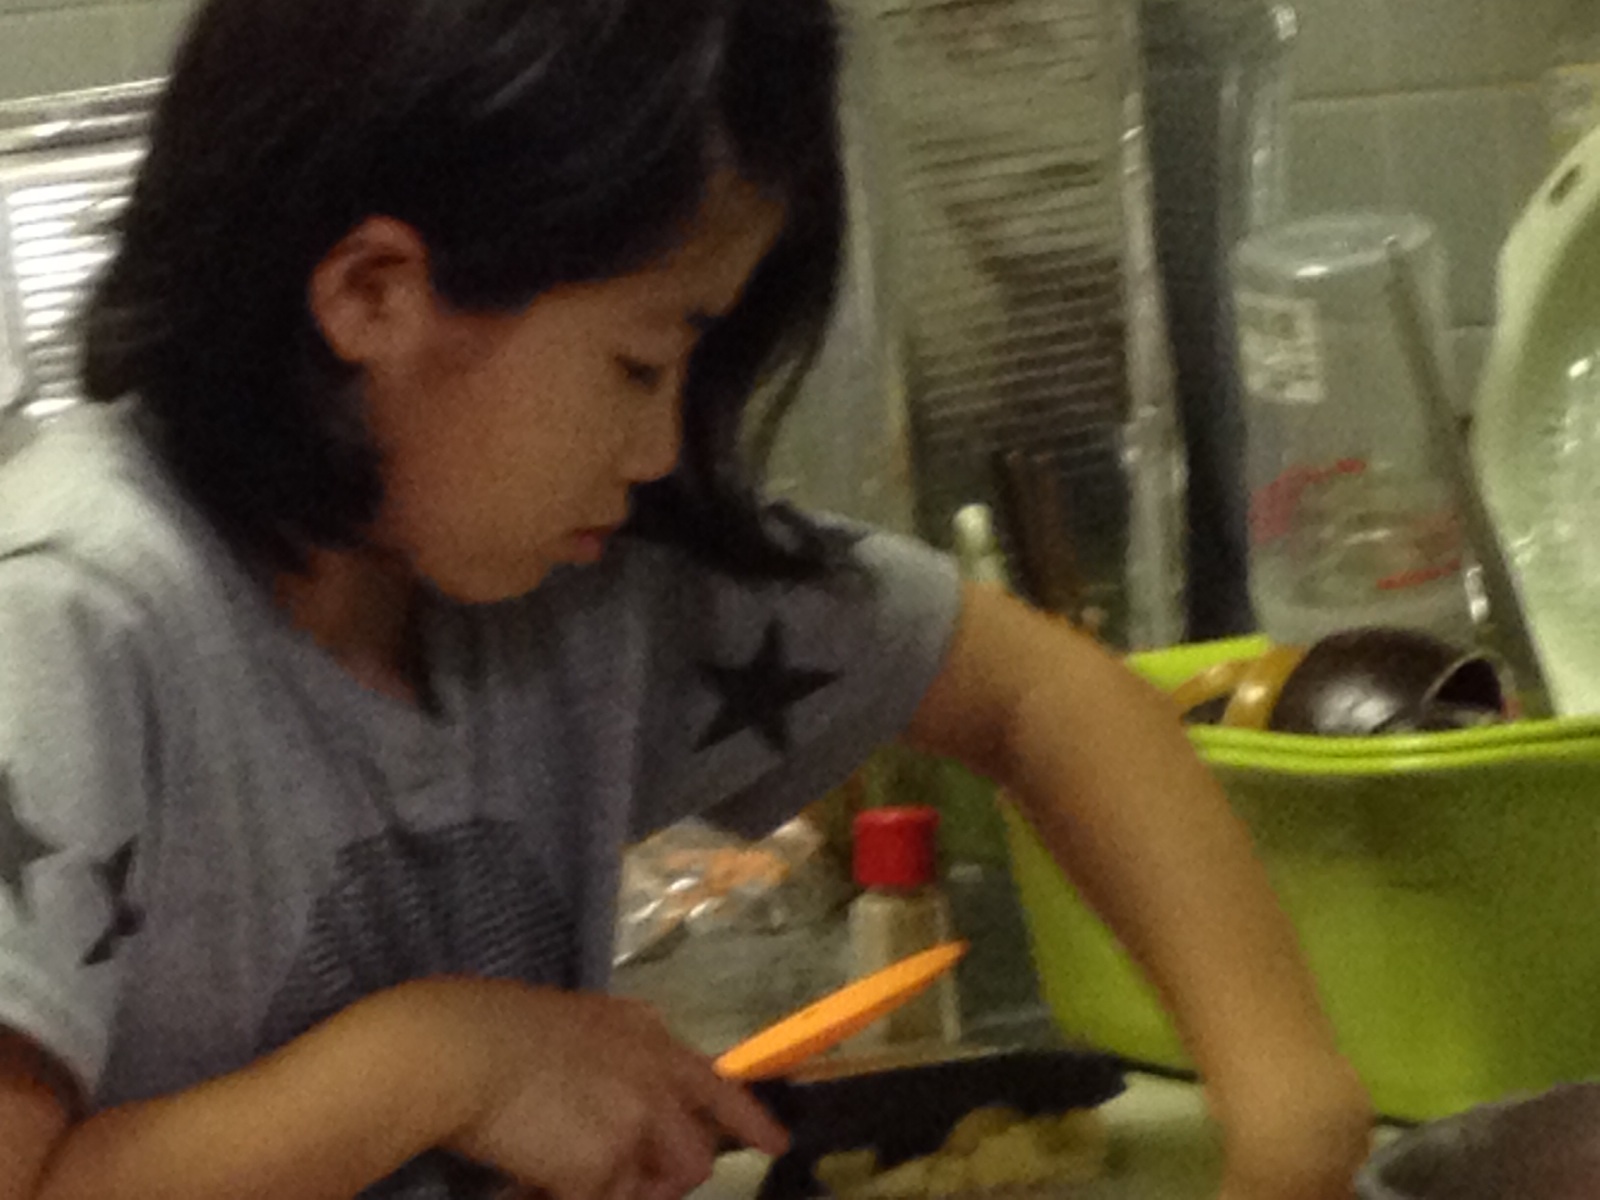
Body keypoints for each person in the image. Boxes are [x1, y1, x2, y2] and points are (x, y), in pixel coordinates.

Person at [0, 0, 1370, 1197]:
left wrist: (1293, 1112)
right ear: (374, 295)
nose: (660, 450)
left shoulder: (569, 590)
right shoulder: (70, 621)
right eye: (639, 363)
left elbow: (1037, 692)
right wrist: (438, 1063)